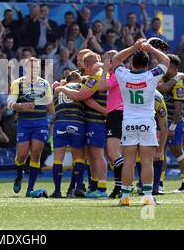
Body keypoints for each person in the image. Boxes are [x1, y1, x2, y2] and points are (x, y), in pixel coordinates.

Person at [112, 38, 170, 206]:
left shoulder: (123, 74)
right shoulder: (151, 75)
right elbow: (165, 60)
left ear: (132, 64)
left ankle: (124, 197)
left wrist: (133, 47)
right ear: (146, 65)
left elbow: (115, 60)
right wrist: (150, 48)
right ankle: (147, 197)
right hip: (146, 122)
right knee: (146, 161)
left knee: (128, 161)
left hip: (128, 122)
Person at [55, 53, 108, 198]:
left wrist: (62, 88)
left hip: (97, 121)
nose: (82, 68)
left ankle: (102, 188)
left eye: (82, 64)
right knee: (92, 156)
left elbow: (81, 96)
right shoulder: (100, 76)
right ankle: (94, 185)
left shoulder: (95, 77)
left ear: (89, 65)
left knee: (98, 155)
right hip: (94, 121)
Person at [7, 57, 54, 197]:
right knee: (21, 155)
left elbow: (50, 105)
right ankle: (19, 175)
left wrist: (55, 118)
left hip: (40, 122)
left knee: (35, 153)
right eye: (32, 67)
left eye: (37, 67)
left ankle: (30, 189)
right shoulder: (18, 83)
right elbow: (9, 103)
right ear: (26, 68)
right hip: (24, 123)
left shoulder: (45, 84)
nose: (35, 70)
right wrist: (21, 106)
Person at [158, 54, 184, 193]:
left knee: (177, 151)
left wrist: (172, 127)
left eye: (167, 66)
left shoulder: (178, 84)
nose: (165, 68)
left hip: (174, 123)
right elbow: (161, 88)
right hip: (163, 122)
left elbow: (178, 109)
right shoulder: (167, 79)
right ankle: (159, 182)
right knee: (161, 151)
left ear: (173, 68)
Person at [98, 50, 125, 198]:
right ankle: (119, 187)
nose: (104, 63)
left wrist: (104, 71)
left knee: (113, 153)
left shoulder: (116, 75)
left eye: (106, 60)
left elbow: (101, 87)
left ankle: (125, 185)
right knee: (115, 154)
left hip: (116, 113)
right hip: (118, 114)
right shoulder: (122, 74)